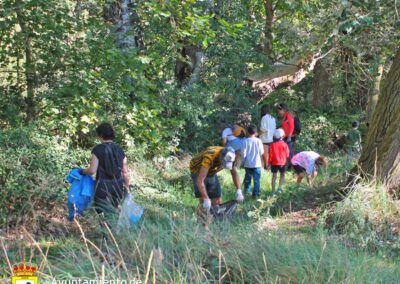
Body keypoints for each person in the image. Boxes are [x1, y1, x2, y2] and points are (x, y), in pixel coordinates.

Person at [80, 123, 130, 215]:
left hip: (102, 186)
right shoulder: (119, 149)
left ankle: (104, 227)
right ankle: (110, 227)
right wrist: (126, 187)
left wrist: (82, 171)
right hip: (117, 186)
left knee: (100, 212)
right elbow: (125, 172)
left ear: (101, 135)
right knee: (112, 211)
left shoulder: (97, 149)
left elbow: (92, 170)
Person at [189, 146, 244, 222]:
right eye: (224, 162)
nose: (224, 164)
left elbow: (234, 174)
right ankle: (201, 222)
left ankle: (215, 220)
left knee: (217, 199)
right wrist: (206, 198)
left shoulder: (231, 156)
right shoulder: (210, 156)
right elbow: (200, 181)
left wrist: (239, 190)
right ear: (221, 156)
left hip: (212, 171)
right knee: (203, 202)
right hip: (197, 170)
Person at [221, 124, 246, 200]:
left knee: (232, 169)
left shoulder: (225, 130)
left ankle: (238, 191)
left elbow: (224, 142)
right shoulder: (240, 129)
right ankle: (240, 191)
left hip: (233, 145)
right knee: (235, 168)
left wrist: (223, 145)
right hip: (242, 145)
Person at [241, 125, 264, 197]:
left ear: (247, 132)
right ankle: (256, 194)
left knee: (247, 178)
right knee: (256, 180)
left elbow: (243, 153)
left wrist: (243, 161)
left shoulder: (245, 141)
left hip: (248, 163)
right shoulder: (258, 141)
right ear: (256, 132)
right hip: (257, 163)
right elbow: (261, 152)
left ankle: (247, 192)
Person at [268, 129, 290, 197]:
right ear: (282, 136)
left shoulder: (272, 144)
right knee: (282, 175)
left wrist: (269, 164)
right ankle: (280, 188)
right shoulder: (285, 144)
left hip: (274, 163)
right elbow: (287, 155)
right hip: (282, 163)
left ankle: (273, 192)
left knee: (274, 176)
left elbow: (270, 155)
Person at [259, 105, 276, 170]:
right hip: (271, 139)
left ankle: (266, 169)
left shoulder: (264, 117)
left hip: (264, 139)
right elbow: (274, 129)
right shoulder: (273, 118)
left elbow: (263, 129)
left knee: (264, 156)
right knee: (269, 155)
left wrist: (257, 134)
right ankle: (267, 168)